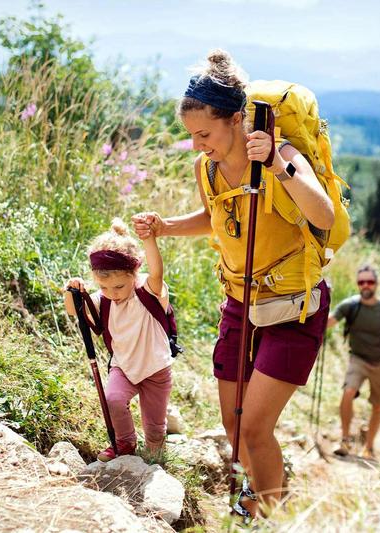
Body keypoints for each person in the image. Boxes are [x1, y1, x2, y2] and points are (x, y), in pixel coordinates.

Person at [131, 49, 334, 517]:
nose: (197, 145)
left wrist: (279, 167)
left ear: (237, 119)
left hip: (293, 306)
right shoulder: (207, 167)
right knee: (234, 425)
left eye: (204, 134)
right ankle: (253, 509)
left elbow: (322, 214)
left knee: (255, 428)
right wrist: (165, 226)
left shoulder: (282, 154)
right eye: (191, 135)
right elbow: (214, 216)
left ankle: (270, 517)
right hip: (240, 303)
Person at [64, 218, 172, 462]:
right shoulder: (104, 300)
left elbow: (157, 271)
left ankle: (156, 455)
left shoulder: (148, 291)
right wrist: (71, 291)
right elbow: (74, 310)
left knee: (155, 427)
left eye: (119, 287)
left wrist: (149, 239)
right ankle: (125, 443)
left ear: (134, 273)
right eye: (104, 287)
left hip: (156, 369)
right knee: (113, 399)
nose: (112, 294)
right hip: (123, 365)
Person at [327, 264, 380, 459]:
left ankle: (369, 446)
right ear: (357, 284)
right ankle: (345, 440)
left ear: (376, 284)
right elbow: (329, 321)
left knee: (377, 405)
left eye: (370, 281)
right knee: (348, 392)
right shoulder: (350, 306)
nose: (365, 285)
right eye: (361, 282)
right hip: (358, 359)